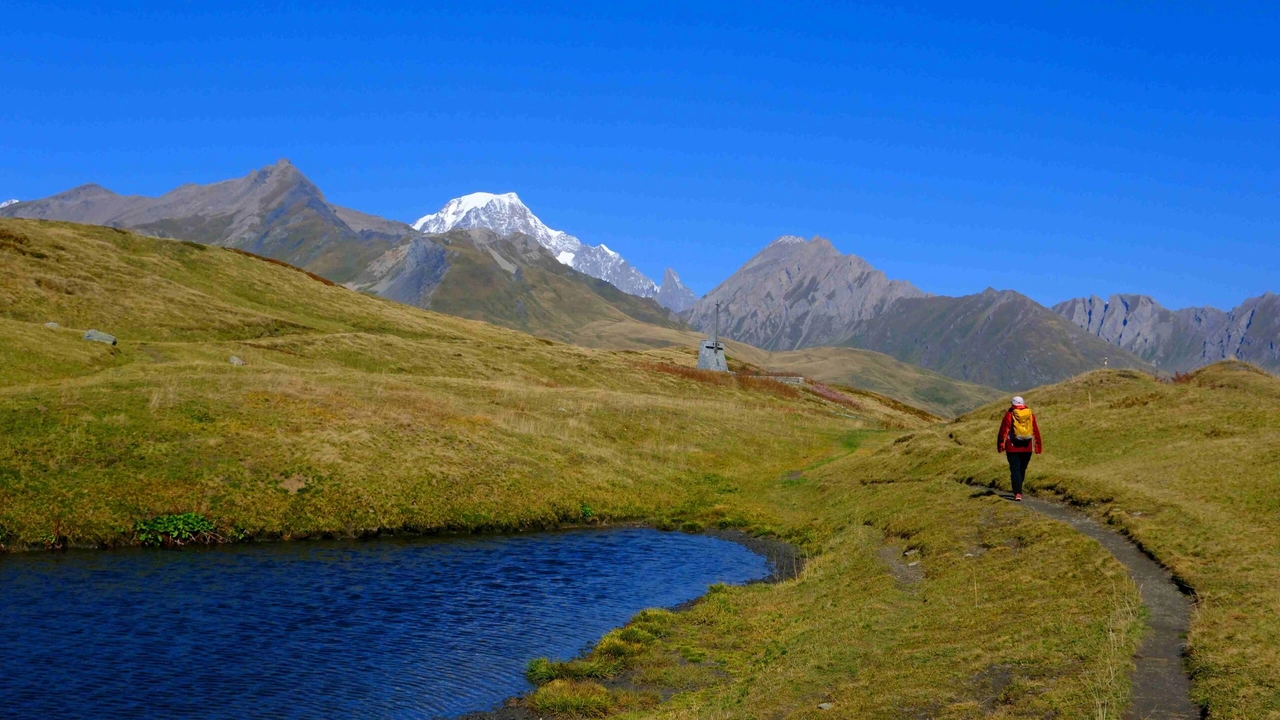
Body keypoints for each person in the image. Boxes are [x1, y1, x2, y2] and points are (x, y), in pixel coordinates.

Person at [996, 396, 1042, 501]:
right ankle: (1018, 490)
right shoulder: (1030, 414)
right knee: (1022, 469)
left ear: (1012, 404)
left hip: (1012, 447)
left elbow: (1003, 431)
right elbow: (1035, 431)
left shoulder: (1009, 415)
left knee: (1015, 470)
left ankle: (1017, 493)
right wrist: (1038, 447)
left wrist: (1000, 446)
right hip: (1027, 447)